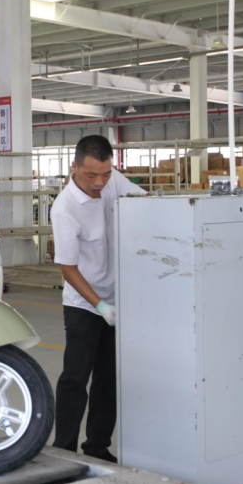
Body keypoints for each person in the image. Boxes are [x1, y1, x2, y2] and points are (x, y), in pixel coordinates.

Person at [50, 135, 145, 463]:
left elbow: (145, 204)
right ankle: (63, 449)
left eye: (106, 174)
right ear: (74, 167)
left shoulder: (111, 180)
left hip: (119, 301)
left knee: (108, 378)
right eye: (92, 175)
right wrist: (100, 307)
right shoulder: (65, 208)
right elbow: (68, 267)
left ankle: (98, 446)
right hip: (83, 305)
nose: (100, 183)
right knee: (76, 378)